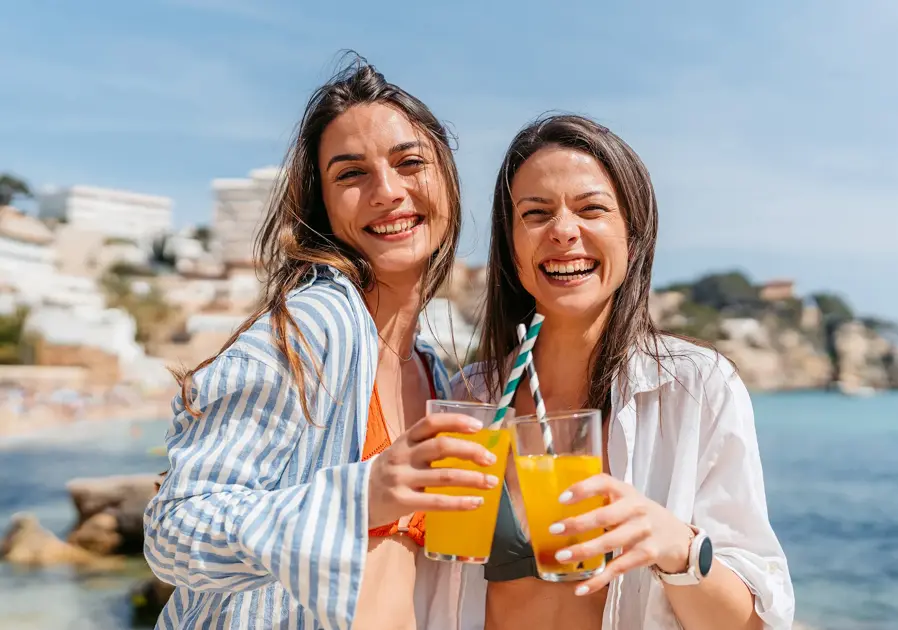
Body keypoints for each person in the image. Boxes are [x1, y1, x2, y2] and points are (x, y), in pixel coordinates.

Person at [143, 55, 499, 630]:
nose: (388, 191)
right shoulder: (313, 328)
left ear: (447, 181)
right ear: (324, 208)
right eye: (351, 174)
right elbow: (173, 532)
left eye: (411, 163)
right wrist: (360, 499)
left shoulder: (435, 372)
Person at [448, 114, 795, 630]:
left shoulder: (695, 388)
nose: (564, 231)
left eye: (592, 209)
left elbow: (755, 623)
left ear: (632, 237)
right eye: (536, 213)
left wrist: (676, 546)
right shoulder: (469, 397)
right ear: (512, 248)